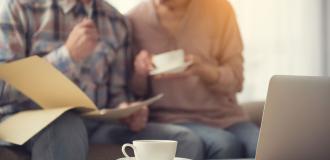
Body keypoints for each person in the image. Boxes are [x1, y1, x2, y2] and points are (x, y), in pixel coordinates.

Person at [0, 0, 204, 159]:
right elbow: (3, 89)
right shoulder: (20, 7)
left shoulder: (116, 21)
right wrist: (67, 57)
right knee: (67, 125)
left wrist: (127, 110)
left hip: (96, 124)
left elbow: (118, 93)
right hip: (28, 121)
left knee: (184, 140)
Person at [129, 0, 260, 159]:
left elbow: (237, 81)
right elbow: (134, 93)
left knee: (263, 149)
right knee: (225, 145)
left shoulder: (220, 9)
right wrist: (139, 72)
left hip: (227, 117)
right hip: (172, 119)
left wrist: (203, 70)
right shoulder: (135, 19)